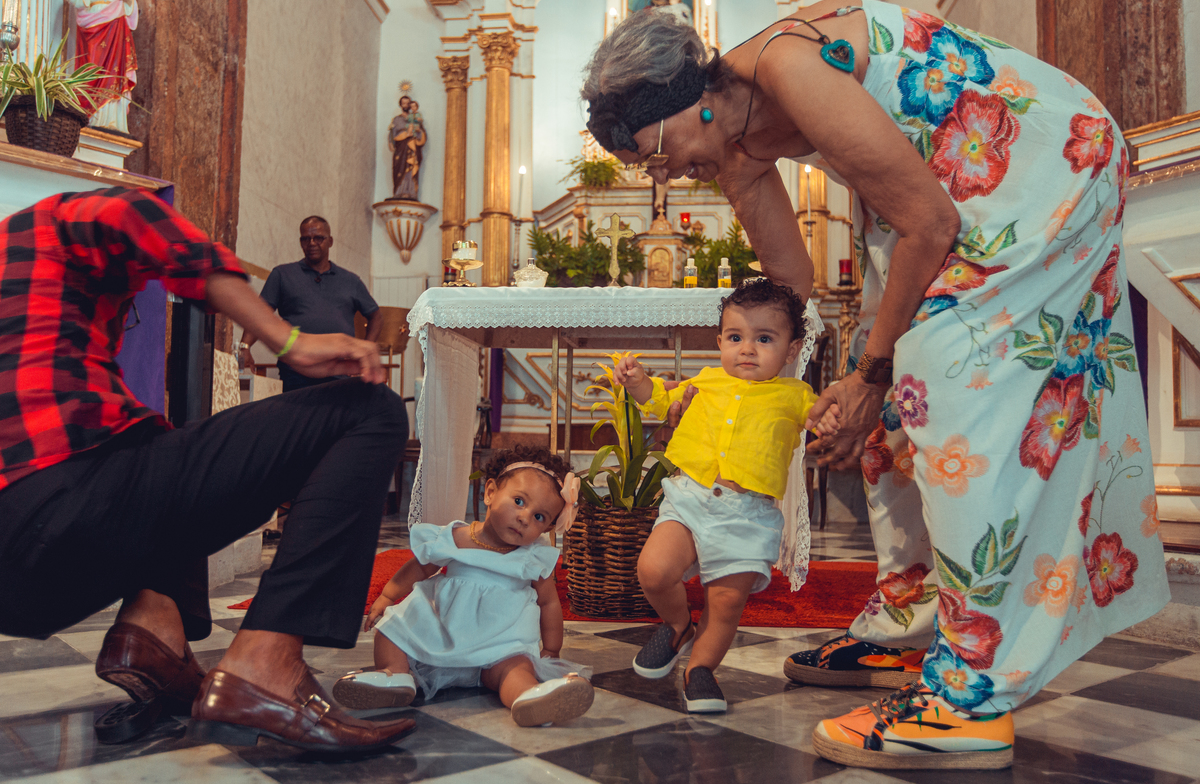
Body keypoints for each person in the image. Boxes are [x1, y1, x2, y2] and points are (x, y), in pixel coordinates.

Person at [582, 0, 1167, 771]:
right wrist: (805, 400)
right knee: (888, 417)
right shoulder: (731, 146)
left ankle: (969, 698)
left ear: (692, 102)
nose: (665, 176)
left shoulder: (790, 68)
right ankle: (907, 627)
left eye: (658, 153)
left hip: (1039, 169)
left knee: (944, 391)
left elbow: (929, 223)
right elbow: (789, 294)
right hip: (948, 193)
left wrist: (868, 376)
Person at [0, 187, 415, 752]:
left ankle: (152, 632)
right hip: (65, 497)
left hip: (19, 587)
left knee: (157, 445)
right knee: (371, 411)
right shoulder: (57, 218)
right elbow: (155, 229)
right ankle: (265, 664)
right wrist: (288, 340)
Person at [613, 279, 839, 713]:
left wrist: (827, 420)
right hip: (689, 495)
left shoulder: (794, 395)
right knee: (654, 570)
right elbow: (660, 403)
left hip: (747, 514)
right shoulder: (706, 381)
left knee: (727, 600)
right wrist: (639, 382)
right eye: (735, 338)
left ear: (792, 350)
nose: (747, 349)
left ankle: (700, 670)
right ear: (720, 341)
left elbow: (816, 416)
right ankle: (678, 625)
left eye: (764, 339)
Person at [331, 446, 596, 727]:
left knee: (516, 666)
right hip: (441, 630)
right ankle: (394, 675)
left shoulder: (532, 556)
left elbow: (549, 603)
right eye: (519, 501)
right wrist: (388, 596)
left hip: (499, 643)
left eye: (540, 517)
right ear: (491, 492)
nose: (525, 518)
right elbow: (421, 566)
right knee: (393, 630)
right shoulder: (456, 537)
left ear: (546, 529)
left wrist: (552, 649)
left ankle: (528, 695)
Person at [239, 216, 381, 391]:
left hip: (338, 375)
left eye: (318, 238)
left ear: (330, 241)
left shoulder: (351, 281)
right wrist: (245, 347)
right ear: (300, 242)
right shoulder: (282, 274)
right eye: (306, 239)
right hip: (295, 373)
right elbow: (259, 313)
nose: (312, 243)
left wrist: (366, 348)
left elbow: (376, 316)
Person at [65, 0, 138, 133]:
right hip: (93, 35)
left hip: (116, 37)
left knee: (114, 74)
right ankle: (93, 116)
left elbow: (128, 10)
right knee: (92, 71)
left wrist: (130, 1)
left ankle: (112, 119)